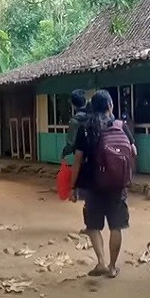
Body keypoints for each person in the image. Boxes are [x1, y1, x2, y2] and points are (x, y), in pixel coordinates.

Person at [70, 90, 136, 278]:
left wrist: (73, 186)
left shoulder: (86, 129)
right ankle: (113, 267)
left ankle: (101, 262)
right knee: (116, 226)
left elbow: (78, 160)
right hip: (117, 184)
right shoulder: (121, 126)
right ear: (110, 106)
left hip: (93, 184)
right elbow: (134, 151)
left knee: (93, 225)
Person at [63, 89, 90, 234]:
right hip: (98, 158)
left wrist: (65, 152)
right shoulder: (93, 116)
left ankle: (89, 226)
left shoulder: (75, 121)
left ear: (73, 104)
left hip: (83, 159)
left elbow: (71, 143)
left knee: (86, 194)